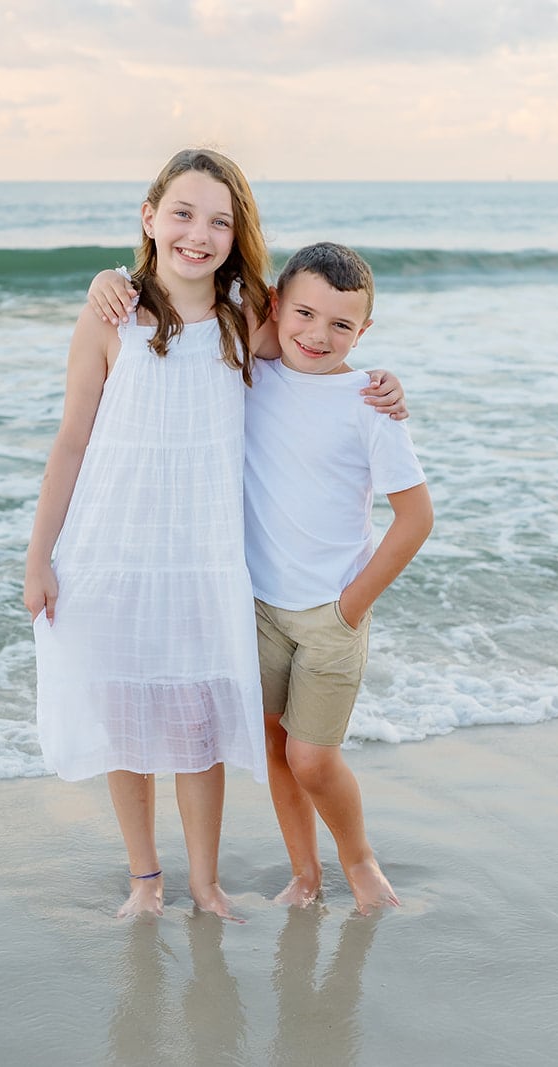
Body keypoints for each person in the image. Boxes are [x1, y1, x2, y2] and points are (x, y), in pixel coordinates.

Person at [24, 151, 405, 921]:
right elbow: (71, 439)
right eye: (183, 213)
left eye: (219, 222)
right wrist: (40, 556)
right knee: (127, 721)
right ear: (149, 216)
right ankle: (145, 878)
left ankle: (204, 883)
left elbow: (316, 348)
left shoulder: (245, 319)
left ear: (238, 235)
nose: (198, 234)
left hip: (204, 561)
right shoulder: (109, 317)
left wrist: (385, 384)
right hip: (113, 552)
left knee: (197, 727)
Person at [91, 241, 432, 914]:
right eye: (304, 314)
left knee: (312, 758)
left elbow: (416, 518)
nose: (318, 334)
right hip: (259, 607)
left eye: (341, 325)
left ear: (364, 331)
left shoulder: (368, 403)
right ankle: (306, 875)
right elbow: (185, 311)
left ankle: (358, 859)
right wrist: (110, 278)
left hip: (332, 616)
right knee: (276, 747)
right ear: (275, 306)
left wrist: (351, 606)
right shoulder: (250, 374)